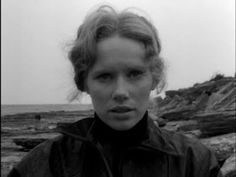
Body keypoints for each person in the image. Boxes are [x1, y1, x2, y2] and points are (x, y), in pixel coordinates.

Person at [8, 5, 222, 177]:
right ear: (84, 82)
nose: (120, 91)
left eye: (135, 74)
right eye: (104, 76)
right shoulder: (46, 163)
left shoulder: (194, 163)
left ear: (154, 78)